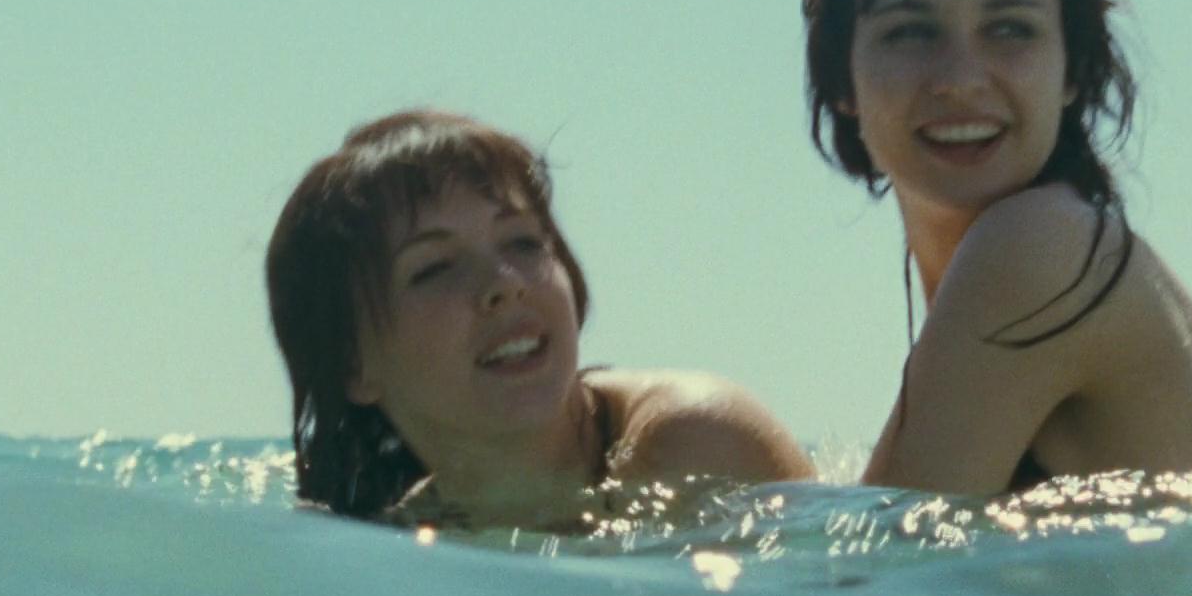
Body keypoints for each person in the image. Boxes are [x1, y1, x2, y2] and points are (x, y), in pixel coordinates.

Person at [800, 0, 1192, 495]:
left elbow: (888, 550)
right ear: (841, 78)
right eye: (912, 32)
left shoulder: (1040, 248)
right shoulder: (1062, 243)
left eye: (1009, 29)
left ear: (1073, 67)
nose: (961, 79)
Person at [266, 109, 813, 530]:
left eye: (524, 242)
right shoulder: (400, 539)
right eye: (435, 268)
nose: (505, 283)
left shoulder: (694, 446)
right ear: (353, 364)